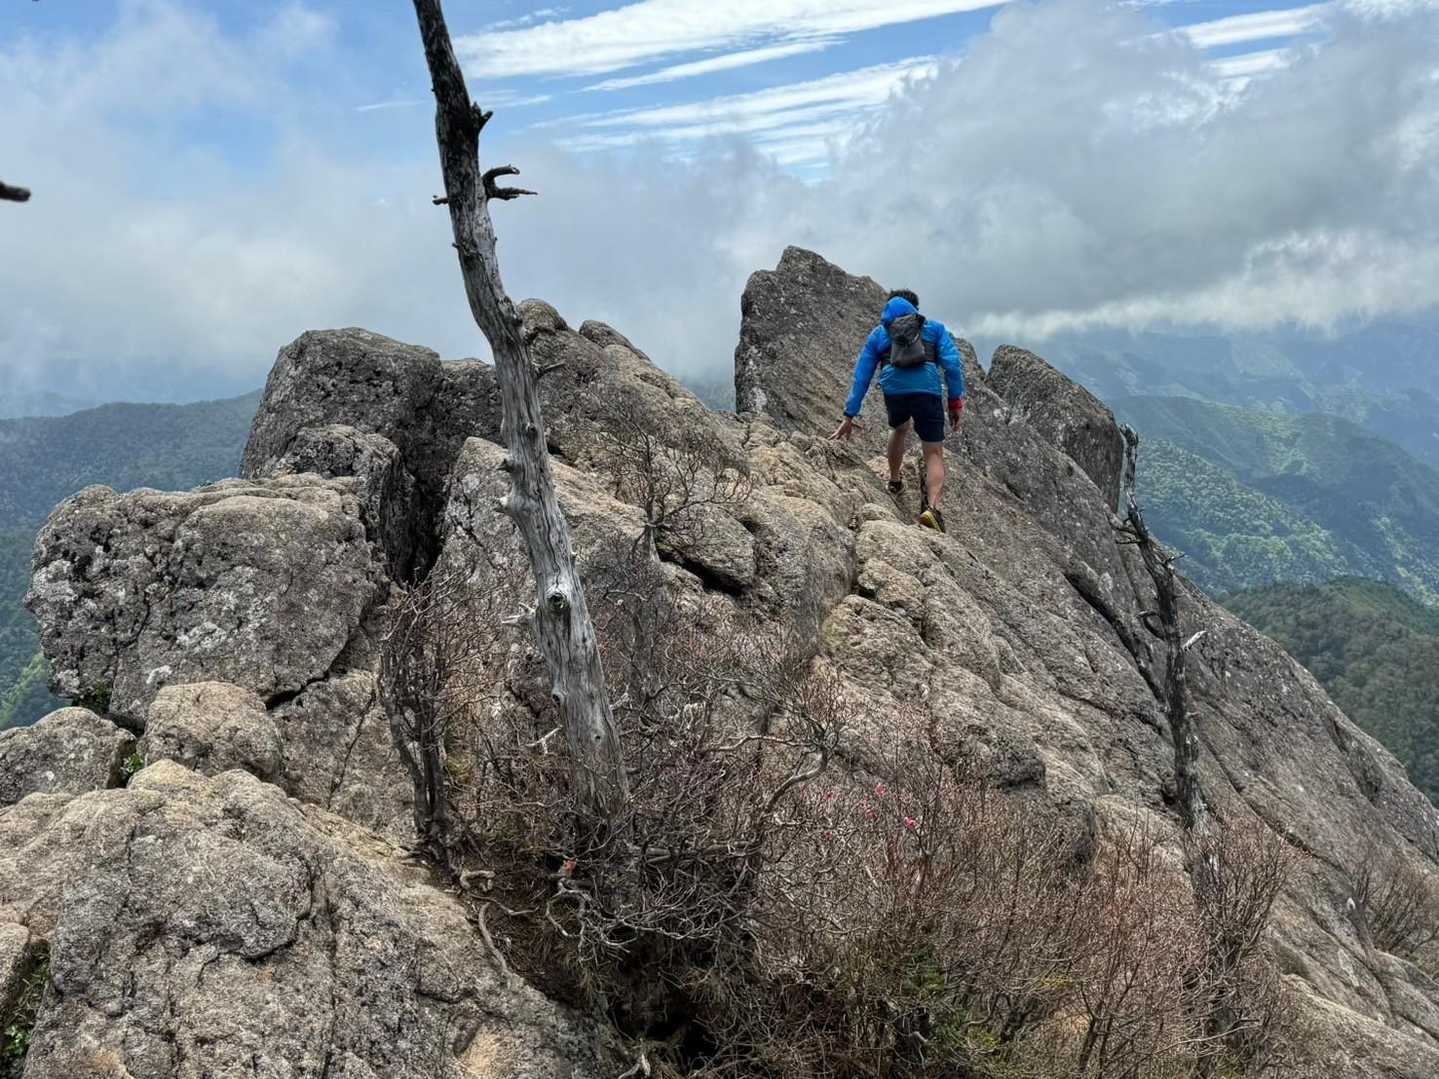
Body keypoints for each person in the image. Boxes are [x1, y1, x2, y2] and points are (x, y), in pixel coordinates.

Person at [831, 290, 966, 532]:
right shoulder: (933, 329)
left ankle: (894, 481)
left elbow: (862, 376)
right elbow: (952, 364)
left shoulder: (879, 334)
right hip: (927, 390)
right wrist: (955, 402)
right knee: (933, 452)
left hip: (894, 391)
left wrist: (849, 415)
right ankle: (932, 510)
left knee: (899, 429)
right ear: (916, 309)